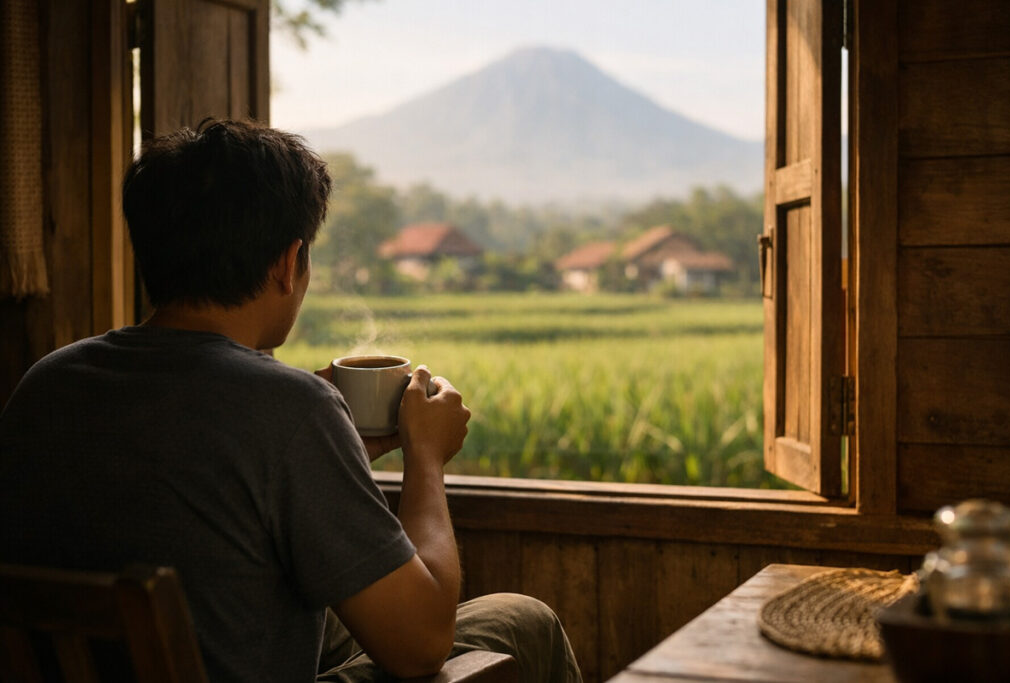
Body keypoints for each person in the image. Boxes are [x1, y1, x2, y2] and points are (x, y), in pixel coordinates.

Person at [0, 119, 582, 683]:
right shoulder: (289, 409)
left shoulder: (47, 383)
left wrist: (334, 450)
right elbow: (421, 647)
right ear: (288, 263)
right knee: (522, 620)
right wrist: (425, 460)